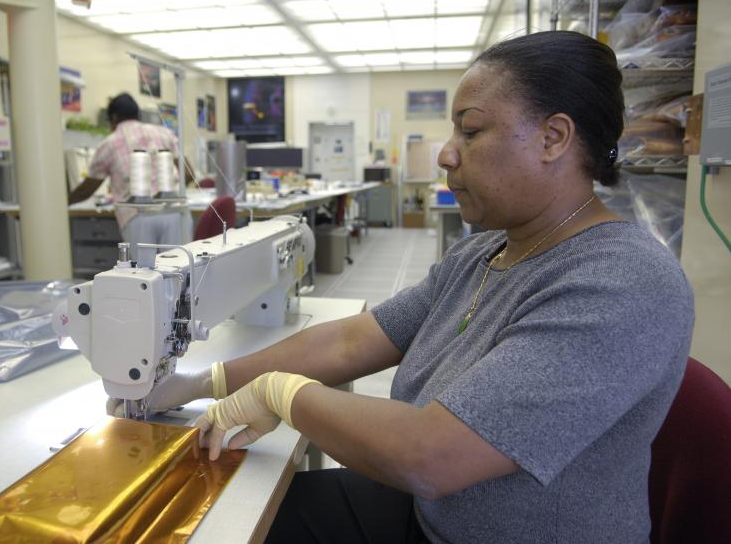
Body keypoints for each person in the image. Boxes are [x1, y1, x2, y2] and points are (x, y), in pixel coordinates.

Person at [136, 31, 695, 542]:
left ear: (553, 137)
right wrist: (201, 382)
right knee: (223, 520)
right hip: (434, 518)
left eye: (470, 130)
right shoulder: (485, 252)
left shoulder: (622, 282)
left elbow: (430, 456)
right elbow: (354, 341)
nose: (447, 152)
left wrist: (278, 392)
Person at [68, 93, 195, 261]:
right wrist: (167, 193)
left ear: (113, 118)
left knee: (146, 278)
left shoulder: (109, 143)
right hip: (175, 212)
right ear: (138, 114)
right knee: (181, 273)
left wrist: (64, 203)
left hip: (138, 216)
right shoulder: (164, 133)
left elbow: (87, 189)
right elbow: (188, 174)